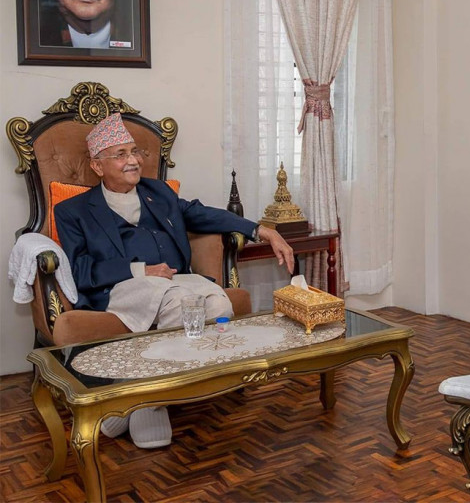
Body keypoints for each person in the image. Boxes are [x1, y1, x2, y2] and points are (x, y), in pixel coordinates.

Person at [55, 113, 295, 448]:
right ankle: (151, 407)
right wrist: (141, 271)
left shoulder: (159, 192)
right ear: (97, 165)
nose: (133, 160)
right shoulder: (73, 211)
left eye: (134, 152)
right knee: (176, 300)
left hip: (177, 281)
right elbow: (81, 270)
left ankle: (134, 401)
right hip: (121, 289)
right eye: (121, 154)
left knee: (217, 303)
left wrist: (261, 230)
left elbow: (203, 214)